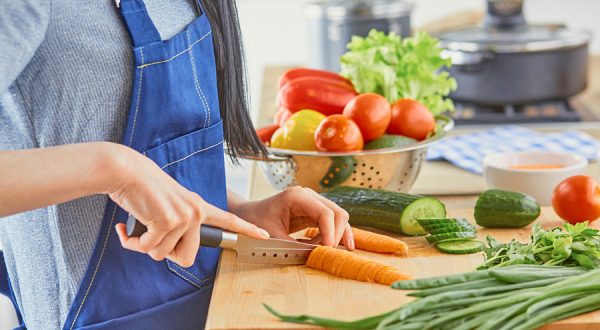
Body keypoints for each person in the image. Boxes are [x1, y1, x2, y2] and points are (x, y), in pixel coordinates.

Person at [0, 1, 354, 329]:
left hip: (217, 306)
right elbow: (123, 169)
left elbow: (156, 155)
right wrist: (113, 168)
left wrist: (238, 212)